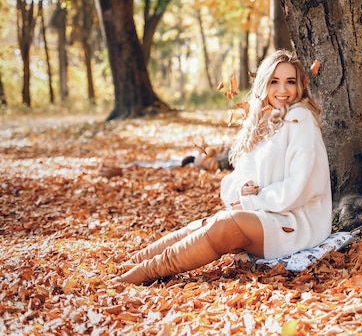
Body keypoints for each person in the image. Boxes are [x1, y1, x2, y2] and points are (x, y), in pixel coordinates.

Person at [116, 50, 333, 285]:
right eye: (274, 81)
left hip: (295, 221)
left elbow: (299, 185)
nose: (282, 90)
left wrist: (253, 201)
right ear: (264, 84)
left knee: (223, 226)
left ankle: (141, 275)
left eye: (290, 82)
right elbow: (236, 177)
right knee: (205, 224)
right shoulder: (260, 121)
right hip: (265, 213)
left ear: (300, 86)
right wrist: (242, 187)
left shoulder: (300, 119)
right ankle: (132, 263)